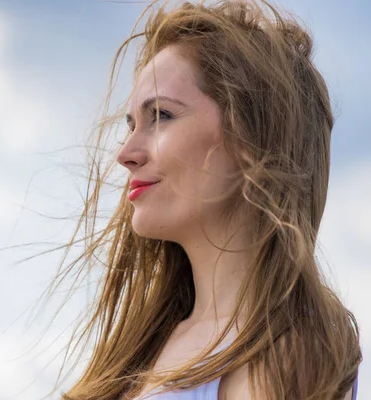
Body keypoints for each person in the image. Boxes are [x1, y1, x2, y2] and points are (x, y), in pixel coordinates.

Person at [39, 0, 362, 398]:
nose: (125, 153)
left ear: (251, 137)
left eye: (161, 115)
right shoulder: (141, 350)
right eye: (131, 125)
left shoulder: (285, 353)